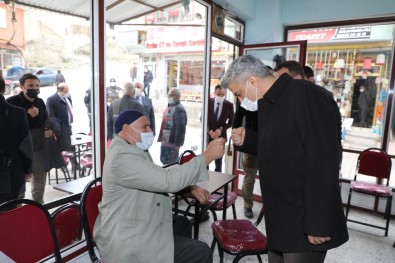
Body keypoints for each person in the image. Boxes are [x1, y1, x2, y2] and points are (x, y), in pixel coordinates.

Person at [222, 55, 348, 262]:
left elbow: (323, 160)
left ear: (252, 81)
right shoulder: (271, 102)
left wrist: (318, 222)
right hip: (281, 216)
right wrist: (249, 140)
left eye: (239, 94)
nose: (240, 101)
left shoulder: (306, 95)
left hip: (304, 219)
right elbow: (284, 147)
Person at [94, 109, 225, 263]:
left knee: (182, 224)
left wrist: (190, 189)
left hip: (138, 217)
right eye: (145, 127)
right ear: (127, 129)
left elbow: (154, 178)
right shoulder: (121, 157)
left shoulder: (134, 149)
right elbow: (166, 180)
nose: (151, 131)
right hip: (128, 236)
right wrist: (207, 156)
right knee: (201, 252)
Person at [7, 73, 54, 203]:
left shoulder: (40, 102)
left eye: (37, 85)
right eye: (31, 85)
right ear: (22, 87)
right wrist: (27, 116)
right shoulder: (12, 102)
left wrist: (48, 130)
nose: (35, 88)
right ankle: (17, 211)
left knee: (39, 181)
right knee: (19, 186)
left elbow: (46, 120)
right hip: (19, 150)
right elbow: (8, 128)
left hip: (38, 147)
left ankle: (39, 209)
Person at [0, 76, 33, 205]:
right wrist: (27, 169)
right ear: (3, 89)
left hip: (11, 174)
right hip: (12, 176)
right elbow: (25, 146)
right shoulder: (17, 113)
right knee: (13, 218)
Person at [232, 105, 258, 218]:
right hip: (251, 142)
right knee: (249, 177)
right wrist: (236, 133)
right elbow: (238, 116)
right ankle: (247, 205)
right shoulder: (250, 97)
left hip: (270, 141)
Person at [207, 84, 234, 172]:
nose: (221, 96)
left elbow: (231, 122)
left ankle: (217, 182)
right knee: (205, 160)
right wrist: (210, 131)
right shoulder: (208, 102)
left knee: (218, 162)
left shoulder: (229, 105)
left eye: (223, 95)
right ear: (214, 93)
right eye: (218, 94)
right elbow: (202, 118)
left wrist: (221, 129)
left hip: (221, 137)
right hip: (208, 136)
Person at [158, 88, 187, 165]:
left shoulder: (179, 109)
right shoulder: (170, 106)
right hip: (165, 142)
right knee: (164, 164)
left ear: (177, 96)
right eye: (168, 95)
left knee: (171, 166)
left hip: (172, 145)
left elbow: (181, 129)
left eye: (171, 95)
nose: (169, 96)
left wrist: (178, 145)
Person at [46, 83, 73, 152]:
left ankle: (74, 162)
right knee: (63, 149)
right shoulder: (51, 99)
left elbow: (69, 109)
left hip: (68, 127)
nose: (67, 93)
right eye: (66, 91)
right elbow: (51, 116)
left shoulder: (68, 97)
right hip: (61, 129)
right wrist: (59, 128)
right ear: (60, 91)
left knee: (70, 147)